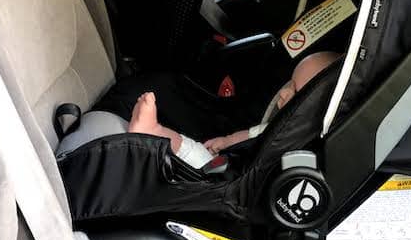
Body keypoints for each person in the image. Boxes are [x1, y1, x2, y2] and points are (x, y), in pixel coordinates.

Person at [56, 51, 341, 169]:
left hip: (231, 177)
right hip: (235, 155)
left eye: (295, 93)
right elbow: (254, 133)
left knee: (194, 155)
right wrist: (229, 140)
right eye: (289, 83)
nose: (284, 93)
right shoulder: (284, 125)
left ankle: (154, 133)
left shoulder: (300, 144)